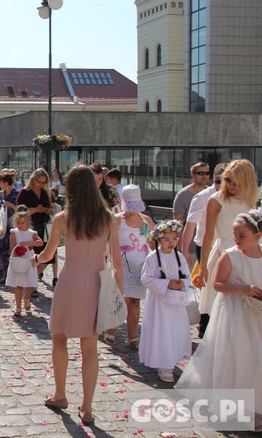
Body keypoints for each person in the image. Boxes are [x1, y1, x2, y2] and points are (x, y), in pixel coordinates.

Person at [35, 164, 122, 427]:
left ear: (70, 189)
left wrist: (35, 259)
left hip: (70, 281)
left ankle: (61, 394)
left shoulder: (64, 218)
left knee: (59, 337)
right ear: (95, 186)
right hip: (96, 283)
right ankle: (87, 407)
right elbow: (117, 260)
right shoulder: (107, 218)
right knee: (90, 347)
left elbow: (49, 255)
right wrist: (118, 295)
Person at [175, 210, 262, 415]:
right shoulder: (230, 255)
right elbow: (218, 284)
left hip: (256, 313)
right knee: (239, 356)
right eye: (235, 234)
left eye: (242, 236)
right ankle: (235, 408)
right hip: (235, 313)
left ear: (257, 237)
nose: (236, 239)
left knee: (256, 357)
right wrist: (243, 289)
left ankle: (254, 405)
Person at [198, 158, 257, 338]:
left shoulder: (251, 200)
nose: (231, 185)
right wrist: (202, 267)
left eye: (236, 182)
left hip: (248, 257)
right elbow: (207, 235)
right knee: (221, 310)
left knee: (247, 309)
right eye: (228, 180)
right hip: (224, 256)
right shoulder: (216, 200)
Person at [139, 220, 192, 383]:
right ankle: (164, 365)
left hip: (175, 303)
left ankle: (172, 358)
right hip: (159, 303)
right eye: (167, 240)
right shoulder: (153, 257)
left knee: (175, 330)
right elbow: (146, 279)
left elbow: (187, 276)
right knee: (162, 331)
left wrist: (182, 283)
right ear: (159, 240)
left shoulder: (180, 257)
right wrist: (166, 283)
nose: (171, 243)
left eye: (174, 239)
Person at [104, 185, 155, 348]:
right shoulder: (117, 220)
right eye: (129, 207)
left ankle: (133, 336)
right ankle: (111, 329)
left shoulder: (145, 221)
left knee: (135, 301)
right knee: (121, 299)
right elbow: (108, 242)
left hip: (140, 265)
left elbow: (150, 241)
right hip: (122, 264)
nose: (132, 211)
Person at [15, 168, 54, 296]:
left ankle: (34, 278)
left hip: (43, 226)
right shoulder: (25, 193)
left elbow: (48, 206)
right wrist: (36, 209)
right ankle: (33, 284)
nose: (41, 185)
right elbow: (20, 211)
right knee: (32, 255)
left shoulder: (44, 192)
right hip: (30, 226)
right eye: (39, 182)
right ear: (33, 179)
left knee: (48, 257)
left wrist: (47, 210)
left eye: (43, 182)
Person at [6, 206, 43, 315]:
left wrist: (28, 243)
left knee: (31, 281)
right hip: (19, 258)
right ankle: (18, 307)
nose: (20, 225)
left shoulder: (32, 233)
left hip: (29, 257)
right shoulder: (14, 233)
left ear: (27, 222)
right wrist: (16, 252)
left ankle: (26, 297)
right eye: (18, 223)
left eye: (22, 223)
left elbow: (40, 242)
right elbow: (11, 246)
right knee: (19, 284)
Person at [0, 173, 19, 284]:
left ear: (5, 182)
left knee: (11, 251)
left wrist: (11, 205)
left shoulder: (17, 194)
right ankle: (1, 275)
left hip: (13, 225)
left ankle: (10, 276)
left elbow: (21, 210)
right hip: (2, 226)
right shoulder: (0, 194)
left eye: (0, 182)